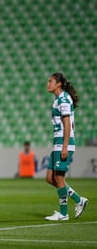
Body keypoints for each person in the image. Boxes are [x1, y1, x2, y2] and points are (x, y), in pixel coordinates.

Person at [45, 72, 88, 221]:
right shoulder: (58, 99)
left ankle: (63, 213)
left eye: (50, 81)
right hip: (58, 142)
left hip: (64, 142)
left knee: (58, 177)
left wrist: (64, 146)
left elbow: (67, 124)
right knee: (50, 178)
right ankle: (78, 199)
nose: (47, 84)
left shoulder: (63, 99)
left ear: (58, 84)